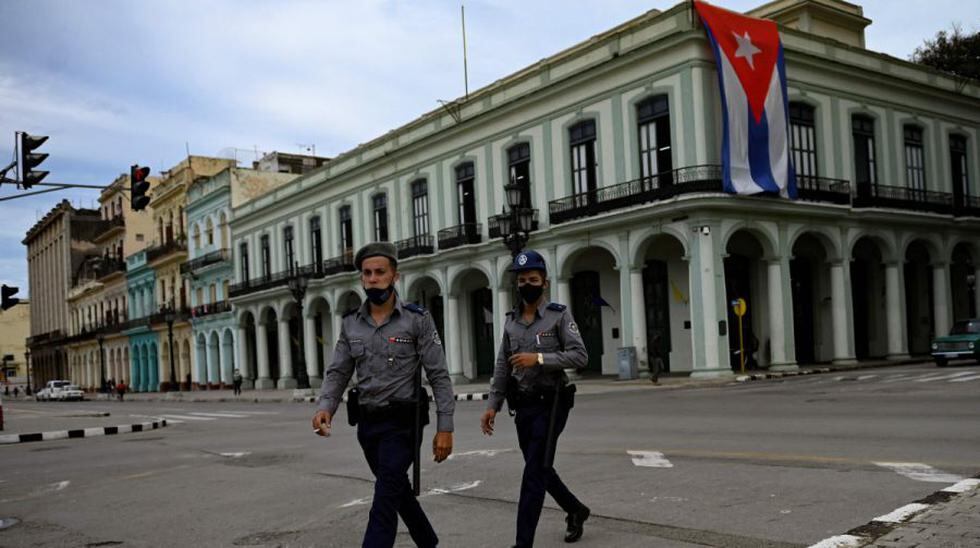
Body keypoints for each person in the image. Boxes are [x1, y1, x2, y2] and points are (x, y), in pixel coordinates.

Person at [312, 242, 455, 548]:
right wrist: (326, 407)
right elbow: (338, 371)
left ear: (395, 276)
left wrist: (445, 427)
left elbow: (439, 375)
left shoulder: (417, 319)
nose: (373, 279)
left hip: (403, 425)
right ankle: (428, 542)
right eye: (367, 273)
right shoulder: (351, 323)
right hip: (368, 427)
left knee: (384, 500)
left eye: (380, 272)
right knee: (395, 490)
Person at [481, 250, 592, 547]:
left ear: (544, 282)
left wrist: (539, 358)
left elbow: (580, 356)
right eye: (521, 280)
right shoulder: (511, 322)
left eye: (532, 279)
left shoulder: (558, 315)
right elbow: (503, 366)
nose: (526, 284)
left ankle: (522, 543)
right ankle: (575, 509)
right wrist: (493, 405)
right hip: (524, 405)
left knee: (533, 474)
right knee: (539, 466)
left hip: (552, 403)